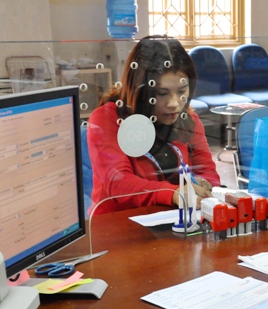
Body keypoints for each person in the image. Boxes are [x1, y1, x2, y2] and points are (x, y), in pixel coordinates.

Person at [87, 35, 220, 215]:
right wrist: (173, 193)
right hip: (119, 221)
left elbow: (206, 169)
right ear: (140, 90)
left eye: (182, 91)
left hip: (175, 218)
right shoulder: (107, 119)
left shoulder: (188, 119)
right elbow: (118, 182)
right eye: (162, 93)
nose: (174, 103)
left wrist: (205, 184)